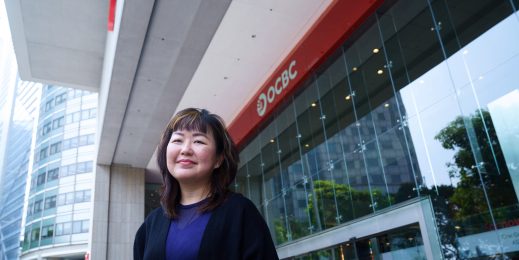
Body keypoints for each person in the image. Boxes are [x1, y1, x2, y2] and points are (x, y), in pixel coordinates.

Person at [133, 108, 279, 260]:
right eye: (177, 140)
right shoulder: (152, 223)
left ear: (219, 159)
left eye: (198, 141)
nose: (185, 150)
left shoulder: (240, 212)